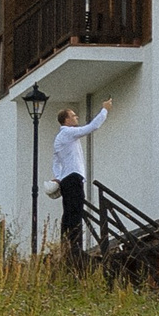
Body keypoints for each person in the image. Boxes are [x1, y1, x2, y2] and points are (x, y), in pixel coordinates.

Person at [51, 98, 111, 261]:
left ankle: (66, 245)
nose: (76, 118)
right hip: (73, 177)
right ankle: (75, 248)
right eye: (74, 116)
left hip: (65, 179)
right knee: (76, 212)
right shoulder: (68, 133)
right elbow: (92, 127)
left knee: (68, 213)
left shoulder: (59, 137)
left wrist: (57, 177)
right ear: (67, 120)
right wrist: (104, 110)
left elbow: (56, 160)